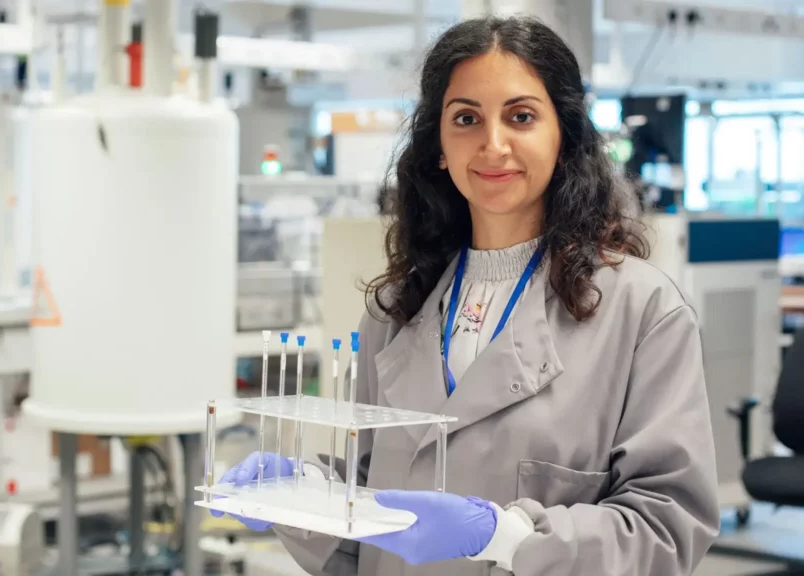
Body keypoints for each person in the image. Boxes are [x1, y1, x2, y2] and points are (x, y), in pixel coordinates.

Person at [213, 15, 720, 576]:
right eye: (466, 119)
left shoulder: (642, 311)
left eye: (521, 116)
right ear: (438, 146)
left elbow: (668, 527)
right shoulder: (395, 311)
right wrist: (303, 499)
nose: (493, 145)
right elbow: (368, 519)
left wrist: (504, 536)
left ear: (565, 135)